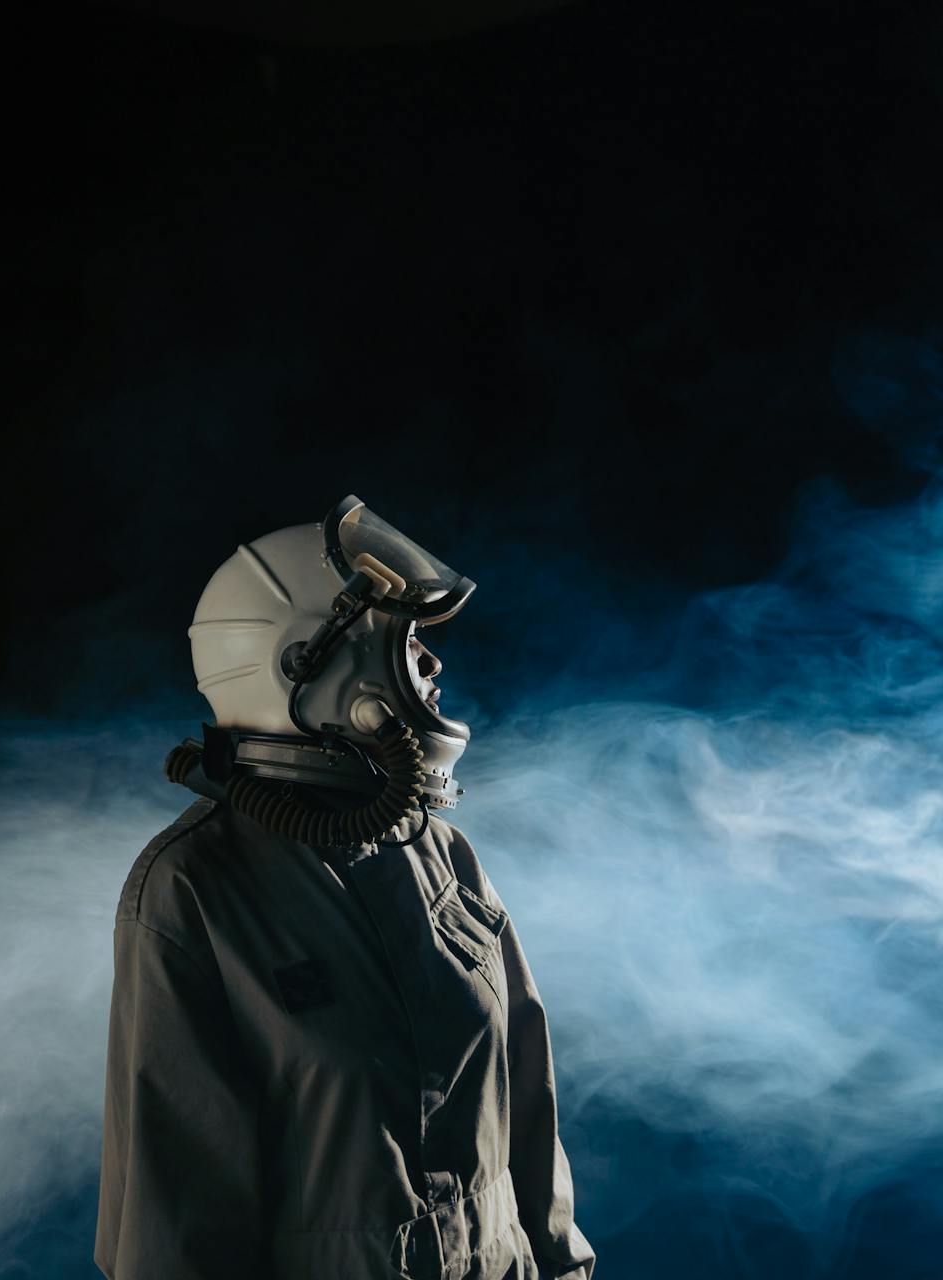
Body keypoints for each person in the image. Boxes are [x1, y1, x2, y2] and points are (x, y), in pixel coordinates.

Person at [95, 496, 595, 1280]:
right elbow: (175, 1217)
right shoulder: (194, 888)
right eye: (405, 641)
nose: (433, 666)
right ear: (304, 663)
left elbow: (528, 1110)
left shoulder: (443, 855)